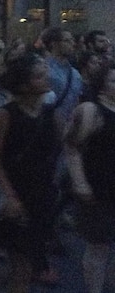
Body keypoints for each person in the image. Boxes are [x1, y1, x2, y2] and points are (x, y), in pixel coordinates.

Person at [0, 52, 60, 292]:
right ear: (24, 85)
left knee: (25, 266)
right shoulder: (7, 114)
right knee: (23, 267)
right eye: (39, 77)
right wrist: (10, 196)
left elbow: (60, 147)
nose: (47, 79)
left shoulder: (50, 113)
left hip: (42, 194)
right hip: (17, 194)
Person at [64, 62, 115, 293]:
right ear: (103, 85)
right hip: (99, 188)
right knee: (99, 246)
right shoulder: (90, 111)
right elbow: (72, 147)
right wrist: (80, 182)